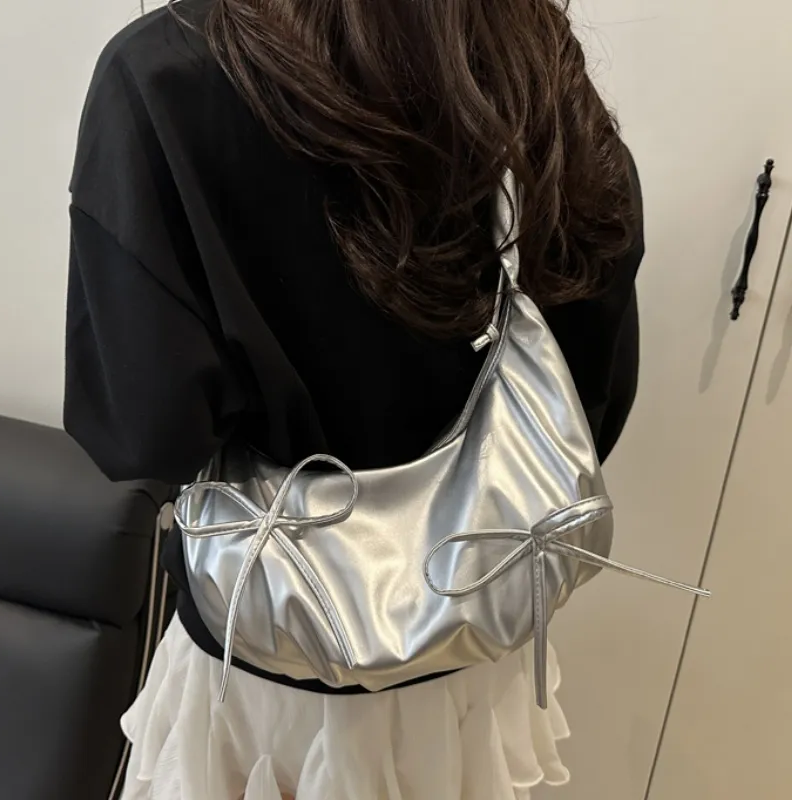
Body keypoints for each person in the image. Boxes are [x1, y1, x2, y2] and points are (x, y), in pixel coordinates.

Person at [64, 0, 644, 797]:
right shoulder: (524, 53)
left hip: (265, 674)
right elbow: (592, 396)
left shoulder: (164, 70)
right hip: (470, 660)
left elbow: (144, 434)